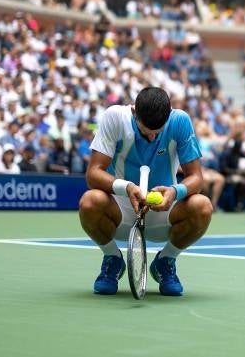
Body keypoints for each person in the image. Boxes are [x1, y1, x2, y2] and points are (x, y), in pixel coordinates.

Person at [78, 87, 212, 297]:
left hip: (164, 210)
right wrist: (127, 187)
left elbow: (196, 177)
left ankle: (166, 261)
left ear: (168, 116)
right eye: (145, 130)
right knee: (89, 201)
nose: (151, 137)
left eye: (157, 132)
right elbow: (93, 174)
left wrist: (174, 192)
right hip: (122, 210)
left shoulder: (180, 121)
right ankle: (112, 259)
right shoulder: (115, 117)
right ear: (134, 113)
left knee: (202, 206)